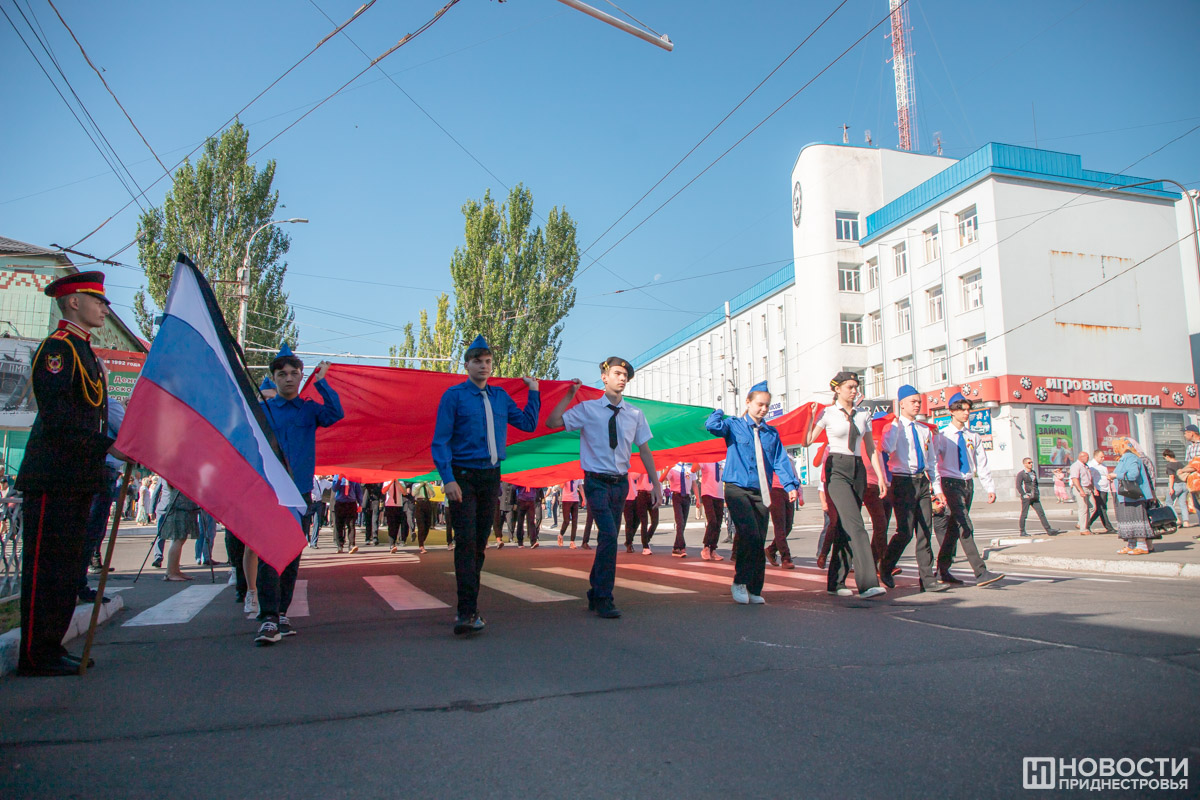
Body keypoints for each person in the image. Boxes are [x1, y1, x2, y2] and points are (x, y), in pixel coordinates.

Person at [16, 271, 116, 676]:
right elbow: (59, 420)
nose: (104, 308)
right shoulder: (58, 349)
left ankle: (50, 647)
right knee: (46, 570)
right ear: (74, 302)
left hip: (76, 477)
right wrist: (108, 447)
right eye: (98, 300)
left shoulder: (85, 350)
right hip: (52, 478)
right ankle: (35, 654)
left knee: (66, 569)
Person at [432, 335, 540, 635]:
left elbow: (528, 424)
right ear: (466, 365)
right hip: (463, 477)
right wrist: (448, 479)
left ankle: (471, 607)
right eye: (477, 361)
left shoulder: (500, 397)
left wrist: (533, 391)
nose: (483, 366)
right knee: (466, 542)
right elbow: (440, 441)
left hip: (491, 477)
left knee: (479, 543)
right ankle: (466, 612)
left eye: (488, 361)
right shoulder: (454, 396)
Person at [547, 356, 659, 619]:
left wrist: (656, 483)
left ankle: (595, 591)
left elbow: (644, 450)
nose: (622, 378)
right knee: (608, 535)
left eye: (626, 375)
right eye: (618, 373)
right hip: (595, 482)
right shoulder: (588, 409)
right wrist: (569, 395)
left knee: (608, 539)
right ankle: (604, 598)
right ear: (604, 378)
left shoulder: (635, 414)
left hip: (620, 484)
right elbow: (552, 423)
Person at [253, 355, 342, 645]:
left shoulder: (309, 409)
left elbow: (336, 413)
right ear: (274, 378)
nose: (289, 378)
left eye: (294, 373)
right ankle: (267, 617)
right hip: (271, 492)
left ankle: (281, 613)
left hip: (300, 493)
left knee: (292, 553)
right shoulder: (263, 411)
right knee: (270, 554)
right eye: (282, 374)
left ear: (302, 376)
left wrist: (322, 383)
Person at [706, 382, 798, 604]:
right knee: (749, 534)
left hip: (761, 491)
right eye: (759, 404)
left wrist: (790, 485)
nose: (763, 409)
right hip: (737, 488)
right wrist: (719, 410)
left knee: (759, 539)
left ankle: (755, 589)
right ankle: (739, 582)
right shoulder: (734, 425)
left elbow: (780, 461)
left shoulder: (771, 433)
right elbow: (712, 426)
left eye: (767, 405)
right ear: (748, 403)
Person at [803, 372, 888, 599]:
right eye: (849, 386)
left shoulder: (863, 414)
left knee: (844, 526)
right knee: (857, 525)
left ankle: (836, 582)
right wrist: (810, 418)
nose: (854, 390)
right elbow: (808, 441)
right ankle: (868, 583)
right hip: (837, 469)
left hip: (858, 469)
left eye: (856, 386)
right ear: (837, 389)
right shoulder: (827, 413)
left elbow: (870, 448)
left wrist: (880, 477)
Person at [877, 385, 948, 592]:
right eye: (913, 402)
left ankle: (927, 579)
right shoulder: (893, 427)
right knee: (905, 531)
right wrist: (894, 427)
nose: (917, 405)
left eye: (919, 402)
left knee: (925, 530)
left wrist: (937, 488)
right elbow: (887, 448)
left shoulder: (924, 430)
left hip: (922, 481)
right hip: (902, 482)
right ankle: (886, 565)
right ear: (902, 404)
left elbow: (932, 461)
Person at [931, 392, 1004, 587]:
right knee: (965, 525)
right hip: (950, 483)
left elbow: (982, 463)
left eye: (968, 410)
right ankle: (981, 572)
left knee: (954, 529)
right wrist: (937, 488)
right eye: (962, 410)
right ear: (952, 412)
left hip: (967, 483)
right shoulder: (942, 436)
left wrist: (989, 487)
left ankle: (942, 570)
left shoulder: (973, 436)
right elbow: (933, 463)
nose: (966, 413)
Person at [1113, 438, 1156, 555]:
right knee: (1128, 520)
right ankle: (1131, 545)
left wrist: (1115, 475)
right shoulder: (1124, 458)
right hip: (1126, 495)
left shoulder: (1130, 457)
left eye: (1116, 446)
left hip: (1132, 495)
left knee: (1136, 519)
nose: (1114, 449)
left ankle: (1142, 546)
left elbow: (1133, 474)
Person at [158, 482, 200, 582]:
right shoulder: (179, 481)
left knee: (180, 539)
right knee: (178, 539)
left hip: (183, 508)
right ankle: (171, 572)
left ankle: (175, 570)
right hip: (180, 509)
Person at [765, 470, 801, 570]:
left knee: (788, 526)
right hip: (774, 488)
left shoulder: (789, 461)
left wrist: (799, 491)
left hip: (789, 489)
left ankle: (771, 550)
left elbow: (793, 473)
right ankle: (786, 558)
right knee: (780, 526)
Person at [693, 461, 726, 561]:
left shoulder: (722, 461)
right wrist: (699, 457)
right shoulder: (706, 459)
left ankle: (713, 549)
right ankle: (706, 547)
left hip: (719, 495)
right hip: (707, 493)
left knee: (718, 523)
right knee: (712, 521)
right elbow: (693, 469)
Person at [1016, 457, 1057, 536]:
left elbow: (1036, 484)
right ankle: (1022, 531)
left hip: (1034, 496)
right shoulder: (1021, 474)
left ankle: (1049, 530)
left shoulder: (1033, 472)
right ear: (1024, 464)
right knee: (1024, 514)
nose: (1031, 464)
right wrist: (1024, 494)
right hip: (1027, 497)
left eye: (1031, 462)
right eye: (1029, 463)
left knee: (1041, 513)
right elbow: (1018, 485)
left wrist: (1037, 493)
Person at [663, 462, 695, 557]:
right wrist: (668, 468)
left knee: (683, 523)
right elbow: (662, 479)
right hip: (677, 496)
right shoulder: (674, 467)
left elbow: (694, 484)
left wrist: (698, 498)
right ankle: (682, 547)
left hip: (687, 497)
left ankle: (675, 547)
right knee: (680, 522)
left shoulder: (690, 467)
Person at [1087, 449, 1117, 533]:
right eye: (1101, 457)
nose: (1103, 458)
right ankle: (1108, 527)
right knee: (1102, 508)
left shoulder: (1103, 465)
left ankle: (1088, 524)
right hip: (1098, 488)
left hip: (1105, 488)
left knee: (1100, 508)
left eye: (1103, 457)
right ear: (1096, 457)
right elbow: (1091, 478)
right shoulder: (1092, 465)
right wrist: (1094, 489)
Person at [332, 474, 363, 554]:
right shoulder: (337, 476)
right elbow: (334, 488)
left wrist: (360, 504)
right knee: (339, 525)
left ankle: (351, 545)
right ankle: (340, 545)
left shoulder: (354, 476)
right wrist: (339, 479)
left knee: (351, 525)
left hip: (351, 503)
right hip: (340, 503)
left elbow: (358, 491)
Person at [1068, 450, 1095, 533]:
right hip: (1080, 488)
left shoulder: (1086, 466)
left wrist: (1093, 489)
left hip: (1088, 488)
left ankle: (1081, 523)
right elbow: (1075, 479)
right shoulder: (1075, 466)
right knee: (1083, 508)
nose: (1088, 459)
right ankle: (1083, 529)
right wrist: (1081, 490)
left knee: (1093, 508)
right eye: (1087, 457)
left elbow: (1090, 479)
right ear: (1081, 457)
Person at [1162, 449, 1189, 527]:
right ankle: (1186, 522)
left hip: (1176, 485)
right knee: (1183, 504)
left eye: (1164, 458)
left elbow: (1171, 477)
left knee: (1169, 502)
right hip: (1184, 484)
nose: (1165, 459)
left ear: (1167, 456)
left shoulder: (1169, 465)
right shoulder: (1181, 464)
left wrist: (1171, 488)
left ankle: (1177, 519)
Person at [384, 478, 411, 552]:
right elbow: (383, 491)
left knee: (397, 525)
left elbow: (404, 492)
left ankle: (394, 541)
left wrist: (398, 483)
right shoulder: (387, 481)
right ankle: (392, 544)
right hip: (389, 505)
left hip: (398, 505)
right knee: (391, 525)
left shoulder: (401, 482)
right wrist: (391, 482)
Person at [559, 479, 582, 547]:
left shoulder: (578, 477)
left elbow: (580, 487)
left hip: (575, 499)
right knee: (566, 521)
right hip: (566, 499)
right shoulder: (566, 475)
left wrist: (583, 498)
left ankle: (572, 541)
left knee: (575, 521)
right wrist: (566, 478)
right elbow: (561, 486)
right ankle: (561, 534)